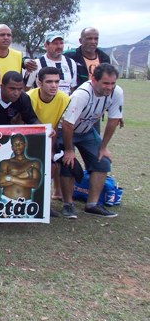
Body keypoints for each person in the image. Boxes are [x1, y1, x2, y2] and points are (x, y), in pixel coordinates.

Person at [58, 63, 124, 219]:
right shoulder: (82, 94)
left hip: (87, 130)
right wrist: (69, 150)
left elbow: (113, 120)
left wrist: (103, 147)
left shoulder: (117, 92)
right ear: (94, 80)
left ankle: (92, 205)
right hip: (65, 130)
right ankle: (68, 204)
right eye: (105, 83)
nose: (109, 87)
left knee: (102, 162)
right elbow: (67, 124)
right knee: (68, 163)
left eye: (112, 83)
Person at [27, 66, 70, 202]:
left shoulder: (64, 99)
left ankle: (52, 196)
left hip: (50, 137)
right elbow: (23, 122)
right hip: (30, 137)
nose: (54, 85)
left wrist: (50, 151)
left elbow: (56, 126)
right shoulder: (29, 97)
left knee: (56, 162)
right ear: (39, 83)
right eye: (49, 82)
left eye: (57, 82)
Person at [0, 134, 41, 202]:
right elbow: (0, 182)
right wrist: (23, 175)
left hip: (26, 203)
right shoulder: (5, 163)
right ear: (12, 148)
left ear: (25, 145)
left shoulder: (34, 163)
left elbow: (35, 184)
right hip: (6, 201)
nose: (18, 146)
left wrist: (10, 178)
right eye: (15, 144)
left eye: (20, 143)